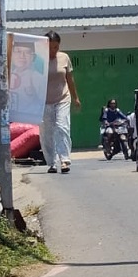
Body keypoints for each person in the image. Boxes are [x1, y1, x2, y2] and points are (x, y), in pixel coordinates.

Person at [41, 30, 82, 173]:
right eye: (49, 47)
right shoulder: (38, 59)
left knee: (62, 127)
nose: (53, 50)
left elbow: (70, 79)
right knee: (47, 132)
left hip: (63, 99)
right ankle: (51, 162)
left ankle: (64, 159)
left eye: (55, 47)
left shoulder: (64, 58)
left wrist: (75, 97)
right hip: (44, 102)